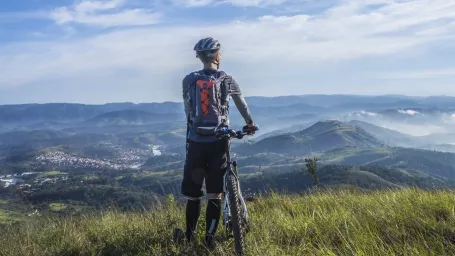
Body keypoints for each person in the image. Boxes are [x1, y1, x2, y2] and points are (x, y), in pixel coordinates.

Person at [173, 37, 257, 249]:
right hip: (219, 141)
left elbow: (187, 110)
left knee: (193, 195)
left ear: (200, 57)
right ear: (217, 55)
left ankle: (190, 239)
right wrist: (250, 124)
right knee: (215, 193)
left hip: (195, 141)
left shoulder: (188, 80)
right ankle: (209, 239)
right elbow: (242, 105)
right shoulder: (227, 79)